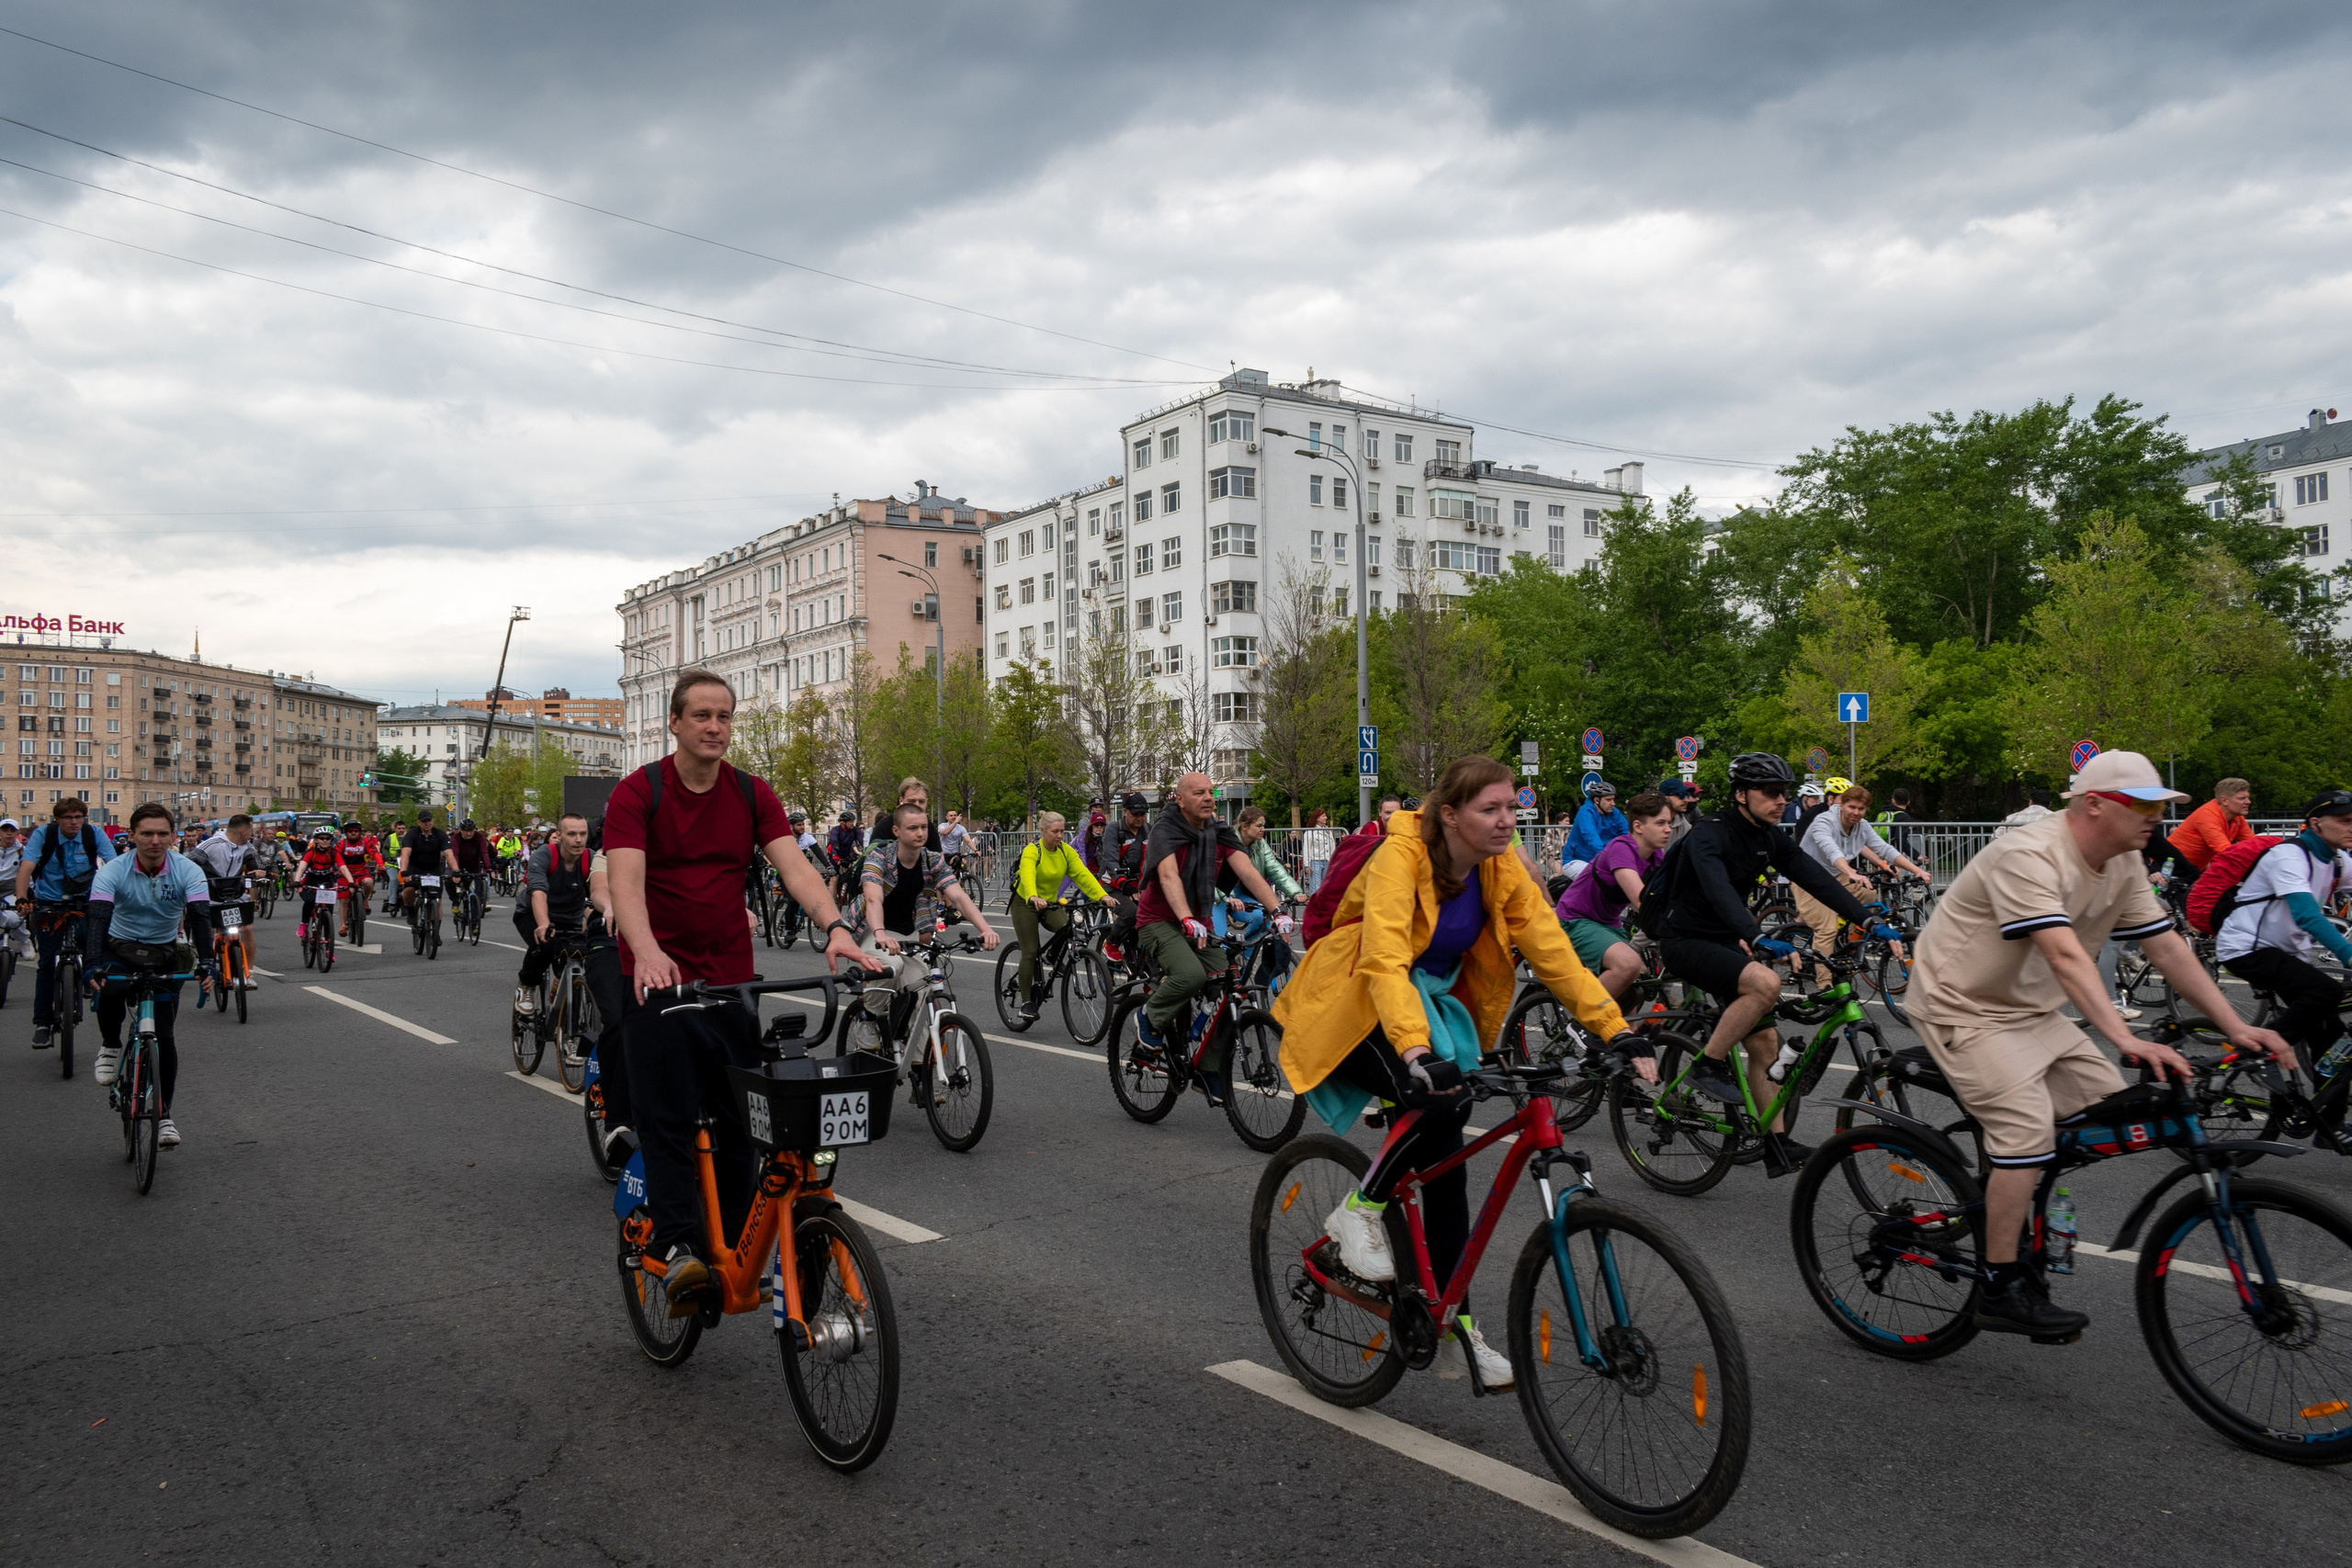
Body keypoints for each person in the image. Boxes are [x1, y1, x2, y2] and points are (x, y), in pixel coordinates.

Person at [1273, 756, 1643, 1389]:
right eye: (1491, 809)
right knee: (1442, 1101)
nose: (1508, 820)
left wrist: (1616, 1030)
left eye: (1512, 808)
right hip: (1353, 997)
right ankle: (1358, 1209)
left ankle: (1451, 1327)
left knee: (1449, 1170)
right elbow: (1385, 957)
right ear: (1450, 814)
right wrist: (1415, 1050)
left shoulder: (1499, 869)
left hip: (1427, 1003)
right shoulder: (1401, 855)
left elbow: (1552, 950)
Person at [1909, 750, 2294, 1336]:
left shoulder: (2123, 861)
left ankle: (2012, 1201)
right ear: (2094, 805)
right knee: (2027, 1131)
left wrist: (2236, 1027)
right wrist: (2124, 1036)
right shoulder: (2029, 854)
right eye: (2142, 806)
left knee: (2108, 1112)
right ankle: (2000, 1282)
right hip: (1962, 1006)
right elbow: (2063, 953)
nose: (2156, 820)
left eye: (2160, 807)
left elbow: (2167, 950)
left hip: (2031, 1010)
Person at [605, 669, 877, 1312]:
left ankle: (728, 1250)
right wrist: (645, 951)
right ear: (675, 722)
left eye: (724, 715)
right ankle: (675, 1246)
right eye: (701, 715)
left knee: (741, 1119)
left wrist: (836, 927)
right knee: (668, 1116)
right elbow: (625, 884)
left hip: (729, 975)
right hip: (658, 979)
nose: (714, 726)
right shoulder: (637, 792)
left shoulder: (753, 794)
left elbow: (796, 868)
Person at [1645, 752, 1899, 1167]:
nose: (1782, 800)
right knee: (1765, 984)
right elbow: (1717, 888)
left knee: (1764, 1043)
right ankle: (1706, 1066)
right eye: (1771, 792)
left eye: (1785, 792)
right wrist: (1756, 935)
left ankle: (1776, 1146)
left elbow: (1816, 879)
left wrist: (1868, 922)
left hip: (1726, 941)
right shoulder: (1710, 833)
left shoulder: (1768, 836)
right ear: (1742, 795)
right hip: (1684, 939)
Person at [1131, 773, 1288, 1097]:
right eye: (1199, 793)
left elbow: (1248, 871)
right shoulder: (1166, 830)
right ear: (1180, 799)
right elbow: (1169, 876)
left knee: (1228, 983)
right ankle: (1149, 1016)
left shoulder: (1218, 832)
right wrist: (1186, 917)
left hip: (1199, 922)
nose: (1208, 798)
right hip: (1160, 920)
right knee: (1189, 975)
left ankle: (1207, 1067)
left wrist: (1277, 911)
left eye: (1210, 793)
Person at [2213, 789, 2352, 1147]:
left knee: (2333, 1038)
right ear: (2316, 823)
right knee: (2327, 991)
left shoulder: (2337, 860)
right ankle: (2262, 1049)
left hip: (2288, 954)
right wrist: (2349, 955)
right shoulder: (2289, 856)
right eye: (2345, 821)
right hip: (2247, 948)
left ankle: (2327, 1123)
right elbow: (2307, 915)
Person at [86, 802, 209, 1148]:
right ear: (132, 836)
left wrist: (209, 963)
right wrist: (92, 963)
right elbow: (97, 917)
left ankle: (165, 1114)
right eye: (147, 833)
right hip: (119, 946)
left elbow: (200, 917)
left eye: (162, 834)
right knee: (109, 989)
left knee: (165, 1037)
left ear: (173, 836)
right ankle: (111, 1045)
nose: (155, 840)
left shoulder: (188, 870)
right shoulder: (113, 869)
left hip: (163, 953)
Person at [511, 815, 628, 1111]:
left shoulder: (590, 859)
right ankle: (526, 986)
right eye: (571, 834)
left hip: (572, 920)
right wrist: (543, 923)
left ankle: (569, 1033)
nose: (578, 840)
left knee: (582, 962)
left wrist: (598, 921)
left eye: (582, 834)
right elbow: (538, 893)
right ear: (559, 836)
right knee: (545, 945)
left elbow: (595, 895)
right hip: (535, 915)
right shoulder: (543, 857)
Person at [1795, 783, 1930, 972]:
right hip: (1808, 877)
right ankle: (1825, 986)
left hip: (1834, 874)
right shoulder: (1823, 821)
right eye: (1852, 807)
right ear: (1842, 805)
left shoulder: (1861, 826)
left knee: (1869, 895)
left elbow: (1884, 849)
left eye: (1861, 809)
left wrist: (1917, 871)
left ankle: (1850, 947)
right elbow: (1831, 850)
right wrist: (1851, 872)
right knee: (1827, 930)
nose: (1856, 812)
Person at [1554, 790, 1674, 1000]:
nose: (1668, 829)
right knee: (1628, 964)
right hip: (1576, 918)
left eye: (1669, 823)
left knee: (1631, 993)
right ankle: (1581, 1023)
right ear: (1638, 826)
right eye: (1661, 823)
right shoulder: (1621, 849)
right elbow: (1641, 902)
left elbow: (1675, 894)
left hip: (1608, 923)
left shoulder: (1656, 856)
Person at [17, 796, 115, 1048]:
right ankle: (42, 1022)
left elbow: (114, 865)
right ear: (57, 819)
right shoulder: (43, 834)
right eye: (68, 818)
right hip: (49, 903)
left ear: (84, 818)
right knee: (47, 964)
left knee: (91, 944)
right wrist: (21, 898)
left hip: (85, 901)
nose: (74, 822)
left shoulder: (94, 834)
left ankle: (86, 979)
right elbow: (27, 866)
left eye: (78, 817)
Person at [1007, 810, 1104, 1019]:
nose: (1060, 835)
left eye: (1062, 831)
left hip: (1050, 902)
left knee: (1068, 927)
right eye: (1055, 831)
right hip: (1026, 902)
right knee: (1030, 951)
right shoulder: (1033, 850)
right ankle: (1026, 1003)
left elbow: (1083, 875)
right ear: (1042, 831)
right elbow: (1027, 874)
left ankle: (1052, 956)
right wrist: (1032, 896)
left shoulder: (1065, 851)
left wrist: (1103, 896)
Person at [1229, 806, 1305, 992]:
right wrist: (1228, 897)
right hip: (1223, 894)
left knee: (1258, 916)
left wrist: (1296, 892)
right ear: (1245, 826)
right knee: (1219, 946)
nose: (1263, 829)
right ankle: (1224, 961)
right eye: (1259, 825)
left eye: (1264, 825)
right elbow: (1217, 874)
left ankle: (1244, 957)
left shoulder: (1260, 844)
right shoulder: (1230, 841)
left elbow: (1275, 870)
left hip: (1247, 893)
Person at [187, 814, 261, 989]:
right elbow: (189, 862)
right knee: (210, 931)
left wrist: (259, 871)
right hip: (211, 895)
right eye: (251, 830)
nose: (252, 834)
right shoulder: (212, 844)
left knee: (247, 928)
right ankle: (210, 965)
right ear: (243, 830)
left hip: (234, 895)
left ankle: (248, 973)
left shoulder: (247, 846)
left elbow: (255, 862)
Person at [2163, 777, 2253, 897]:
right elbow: (2225, 851)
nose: (2248, 802)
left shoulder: (2237, 818)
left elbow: (2254, 845)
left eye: (2247, 797)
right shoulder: (2208, 816)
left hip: (2191, 870)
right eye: (2242, 798)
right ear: (2224, 800)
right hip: (2168, 868)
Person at [1561, 777, 1626, 881]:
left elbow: (1626, 833)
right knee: (1601, 880)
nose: (1613, 803)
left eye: (1613, 799)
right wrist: (1609, 859)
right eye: (1609, 800)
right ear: (1597, 800)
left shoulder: (1614, 812)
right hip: (1575, 860)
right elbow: (1591, 837)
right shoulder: (1585, 812)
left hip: (1599, 860)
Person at [398, 810, 450, 931]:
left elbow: (449, 854)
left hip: (433, 869)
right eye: (424, 821)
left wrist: (456, 870)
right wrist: (404, 871)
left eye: (429, 820)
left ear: (433, 821)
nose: (427, 823)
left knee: (437, 900)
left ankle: (436, 931)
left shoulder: (440, 834)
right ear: (419, 823)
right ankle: (411, 910)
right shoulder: (412, 834)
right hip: (415, 867)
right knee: (408, 890)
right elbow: (405, 853)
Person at [334, 819, 384, 936]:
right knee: (344, 900)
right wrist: (332, 869)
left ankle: (364, 900)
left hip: (362, 871)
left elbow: (375, 853)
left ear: (360, 832)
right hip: (345, 874)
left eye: (356, 830)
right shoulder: (341, 844)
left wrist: (381, 865)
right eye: (350, 831)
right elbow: (333, 856)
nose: (353, 833)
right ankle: (343, 926)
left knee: (369, 882)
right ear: (346, 832)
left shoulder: (365, 842)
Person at [870, 776, 944, 853]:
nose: (917, 805)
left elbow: (939, 859)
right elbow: (871, 858)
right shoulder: (883, 827)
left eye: (921, 801)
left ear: (926, 802)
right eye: (912, 801)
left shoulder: (930, 828)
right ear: (901, 801)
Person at [448, 818, 495, 912]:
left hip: (474, 866)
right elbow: (455, 854)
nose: (469, 833)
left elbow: (484, 853)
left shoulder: (479, 837)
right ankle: (455, 902)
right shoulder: (455, 838)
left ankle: (474, 921)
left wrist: (489, 869)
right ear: (461, 830)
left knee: (477, 893)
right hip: (458, 865)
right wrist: (456, 871)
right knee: (449, 882)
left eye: (471, 831)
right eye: (466, 831)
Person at [1302, 807, 1337, 895]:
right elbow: (1306, 848)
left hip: (1327, 861)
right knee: (1316, 888)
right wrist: (1307, 865)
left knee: (1326, 887)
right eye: (1323, 816)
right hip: (1315, 862)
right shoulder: (1310, 832)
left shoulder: (1328, 830)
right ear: (1317, 818)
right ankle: (1315, 906)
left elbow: (1332, 846)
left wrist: (1334, 861)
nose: (1326, 818)